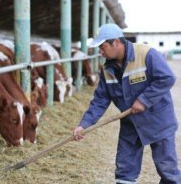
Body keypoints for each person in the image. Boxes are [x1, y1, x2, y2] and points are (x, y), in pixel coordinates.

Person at [72, 23, 181, 184]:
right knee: (124, 169)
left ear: (115, 42)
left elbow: (167, 78)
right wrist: (84, 124)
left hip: (158, 120)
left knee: (166, 168)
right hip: (131, 123)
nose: (100, 51)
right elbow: (101, 99)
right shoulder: (107, 70)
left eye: (102, 46)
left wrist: (144, 100)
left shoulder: (146, 54)